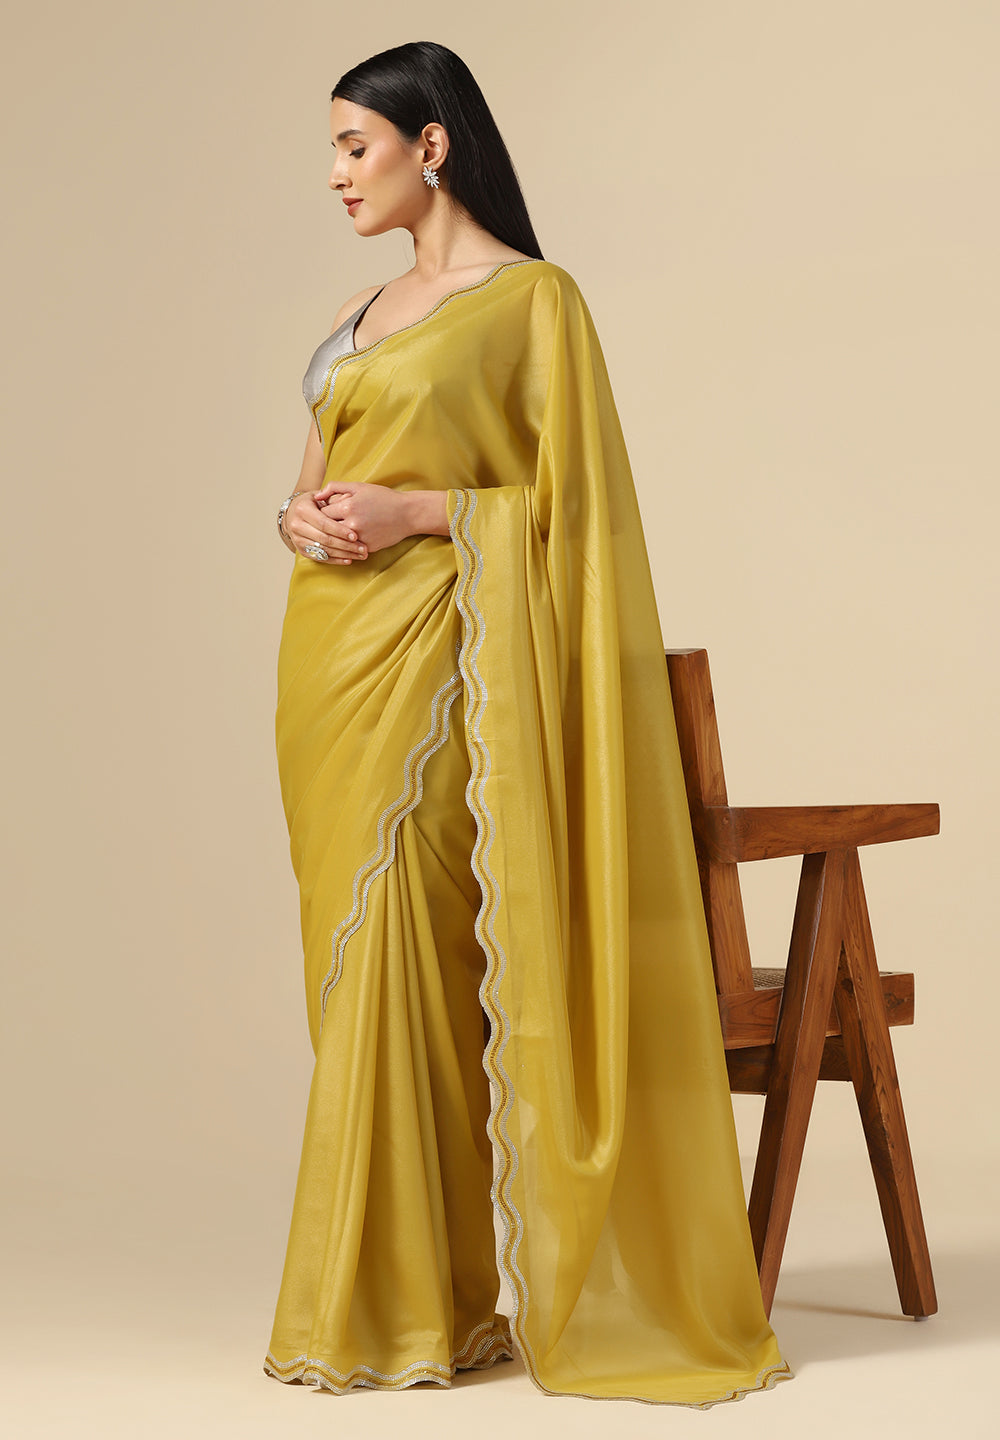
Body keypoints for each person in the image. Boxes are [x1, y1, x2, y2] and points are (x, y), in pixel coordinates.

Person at [265, 40, 790, 1406]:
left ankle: (399, 1308)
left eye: (355, 148)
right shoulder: (361, 309)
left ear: (431, 146)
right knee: (350, 968)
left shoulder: (532, 302)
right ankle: (413, 1298)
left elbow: (576, 510)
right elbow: (310, 481)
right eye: (334, 152)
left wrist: (420, 512)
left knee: (412, 956)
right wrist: (302, 521)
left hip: (444, 663)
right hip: (328, 667)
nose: (337, 176)